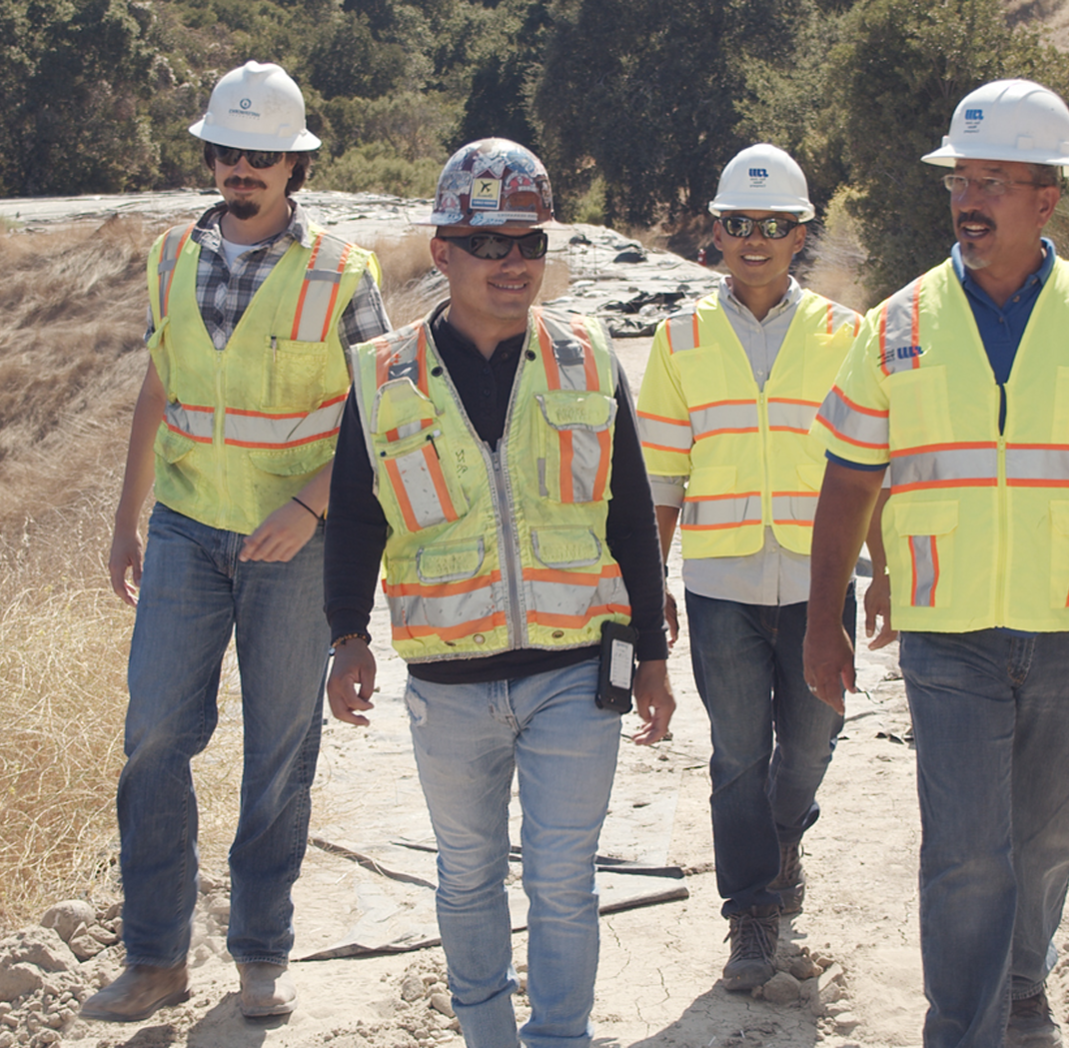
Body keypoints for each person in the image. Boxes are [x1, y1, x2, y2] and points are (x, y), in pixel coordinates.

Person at [803, 79, 1069, 1048]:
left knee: (1047, 839)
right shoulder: (895, 326)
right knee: (966, 853)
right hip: (947, 634)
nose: (968, 198)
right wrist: (822, 619)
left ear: (1045, 197)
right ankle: (964, 1030)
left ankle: (1024, 988)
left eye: (993, 180)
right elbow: (848, 483)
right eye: (960, 179)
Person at [323, 138, 676, 1048]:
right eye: (491, 244)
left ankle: (560, 1038)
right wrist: (346, 638)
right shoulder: (382, 374)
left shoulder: (589, 359)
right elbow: (358, 519)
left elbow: (630, 513)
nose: (514, 263)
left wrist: (654, 658)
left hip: (573, 675)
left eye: (529, 242)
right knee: (469, 874)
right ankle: (487, 1036)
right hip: (449, 685)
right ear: (444, 252)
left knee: (563, 879)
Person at [81, 60, 389, 1023]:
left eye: (262, 155)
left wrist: (306, 508)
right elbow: (158, 388)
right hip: (184, 528)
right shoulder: (171, 256)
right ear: (210, 156)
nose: (242, 168)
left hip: (293, 544)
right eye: (228, 151)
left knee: (280, 747)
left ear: (294, 166)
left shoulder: (345, 270)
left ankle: (259, 954)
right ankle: (156, 959)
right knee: (154, 738)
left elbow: (379, 418)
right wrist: (127, 520)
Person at [634, 143, 881, 990]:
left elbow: (870, 464)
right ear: (716, 230)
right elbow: (662, 476)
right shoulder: (681, 339)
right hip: (721, 586)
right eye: (739, 223)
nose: (754, 240)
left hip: (821, 585)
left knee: (812, 740)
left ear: (799, 233)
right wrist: (650, 584)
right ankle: (750, 915)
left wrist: (880, 568)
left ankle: (781, 842)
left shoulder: (848, 336)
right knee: (738, 752)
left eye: (773, 226)